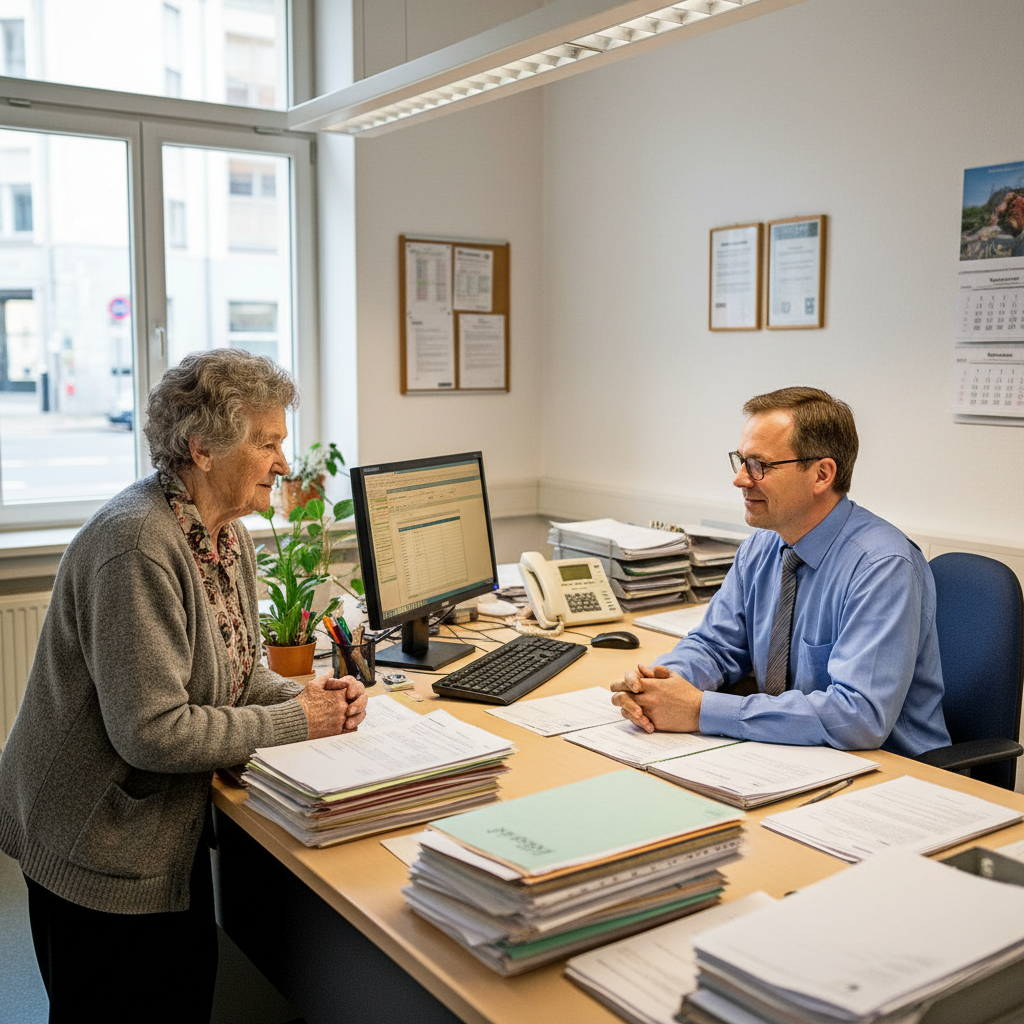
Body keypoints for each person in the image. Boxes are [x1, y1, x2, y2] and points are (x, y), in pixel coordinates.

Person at [0, 349, 368, 1023]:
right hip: (97, 836)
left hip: (158, 826)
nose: (284, 464)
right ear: (201, 447)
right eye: (267, 444)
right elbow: (153, 730)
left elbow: (239, 676)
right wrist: (299, 722)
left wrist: (310, 700)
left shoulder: (224, 535)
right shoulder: (138, 545)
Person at [611, 386, 949, 757]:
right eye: (740, 461)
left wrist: (699, 710)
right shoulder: (762, 546)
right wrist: (658, 685)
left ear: (822, 474)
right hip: (790, 756)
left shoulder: (882, 566)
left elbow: (858, 717)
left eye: (759, 465)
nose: (740, 479)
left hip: (891, 774)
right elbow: (714, 645)